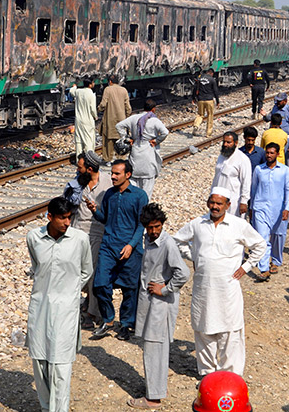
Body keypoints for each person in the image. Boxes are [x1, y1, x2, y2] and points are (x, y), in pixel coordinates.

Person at [172, 188, 265, 376]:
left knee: (229, 331)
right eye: (212, 202)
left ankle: (230, 375)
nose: (214, 207)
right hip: (203, 288)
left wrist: (245, 268)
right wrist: (195, 257)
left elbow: (260, 245)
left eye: (219, 203)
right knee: (204, 328)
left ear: (228, 205)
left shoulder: (238, 225)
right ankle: (208, 374)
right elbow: (177, 240)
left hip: (228, 289)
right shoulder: (197, 224)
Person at [26, 197, 93, 412]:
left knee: (61, 366)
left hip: (66, 310)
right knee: (40, 362)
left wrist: (71, 292)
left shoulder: (80, 239)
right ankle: (46, 408)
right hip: (40, 308)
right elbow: (37, 267)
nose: (67, 223)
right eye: (62, 218)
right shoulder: (34, 238)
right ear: (50, 217)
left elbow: (86, 270)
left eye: (69, 218)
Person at [129, 203, 190, 411]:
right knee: (152, 347)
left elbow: (183, 273)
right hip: (150, 303)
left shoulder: (167, 244)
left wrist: (164, 289)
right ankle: (153, 387)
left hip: (159, 305)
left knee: (155, 349)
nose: (154, 231)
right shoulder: (149, 239)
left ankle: (153, 398)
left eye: (157, 226)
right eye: (150, 227)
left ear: (162, 224)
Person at [89, 160, 149, 342]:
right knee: (99, 283)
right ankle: (107, 320)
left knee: (130, 288)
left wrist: (131, 245)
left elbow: (142, 224)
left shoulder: (140, 196)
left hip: (131, 248)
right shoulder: (109, 194)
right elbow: (104, 218)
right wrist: (94, 210)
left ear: (128, 175)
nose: (113, 177)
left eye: (117, 174)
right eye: (112, 173)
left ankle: (125, 324)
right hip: (108, 246)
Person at [63, 151, 111, 327]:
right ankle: (88, 305)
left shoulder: (107, 183)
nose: (78, 169)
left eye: (80, 167)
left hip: (97, 232)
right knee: (75, 271)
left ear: (89, 169)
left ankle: (92, 313)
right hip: (77, 230)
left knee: (92, 274)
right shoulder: (78, 183)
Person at [250, 143, 289, 281]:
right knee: (262, 238)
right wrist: (251, 207)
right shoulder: (258, 169)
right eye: (267, 153)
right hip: (260, 208)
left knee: (278, 236)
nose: (269, 155)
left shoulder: (285, 170)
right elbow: (254, 189)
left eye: (271, 153)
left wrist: (287, 208)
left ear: (277, 154)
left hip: (278, 209)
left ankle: (276, 260)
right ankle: (264, 269)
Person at [116, 99, 168, 200]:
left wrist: (127, 138)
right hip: (148, 152)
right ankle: (144, 208)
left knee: (133, 182)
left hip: (135, 151)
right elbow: (165, 132)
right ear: (153, 109)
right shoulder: (154, 120)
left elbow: (119, 126)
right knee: (147, 187)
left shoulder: (134, 118)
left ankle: (133, 205)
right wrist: (157, 141)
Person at [212, 132, 253, 217]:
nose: (225, 144)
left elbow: (246, 182)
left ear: (236, 143)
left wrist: (244, 201)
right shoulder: (221, 156)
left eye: (228, 142)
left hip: (234, 201)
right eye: (224, 142)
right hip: (218, 199)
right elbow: (216, 178)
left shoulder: (243, 159)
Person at [98, 75, 132, 163]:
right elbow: (128, 107)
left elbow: (103, 104)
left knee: (108, 140)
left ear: (110, 81)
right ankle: (120, 159)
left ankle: (107, 160)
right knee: (121, 139)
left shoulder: (108, 89)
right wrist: (127, 117)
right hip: (121, 120)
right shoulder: (124, 90)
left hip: (110, 119)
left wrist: (97, 110)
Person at [69, 78, 98, 158]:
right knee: (88, 140)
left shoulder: (78, 92)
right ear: (90, 85)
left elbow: (72, 91)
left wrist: (74, 86)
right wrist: (95, 116)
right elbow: (93, 109)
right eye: (93, 82)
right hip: (88, 120)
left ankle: (79, 160)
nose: (94, 84)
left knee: (79, 141)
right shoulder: (91, 94)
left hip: (78, 120)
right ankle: (89, 159)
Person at [192, 68, 220, 137]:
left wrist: (193, 98)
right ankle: (208, 133)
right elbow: (216, 91)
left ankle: (196, 125)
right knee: (210, 115)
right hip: (209, 100)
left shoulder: (199, 78)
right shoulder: (212, 80)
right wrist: (217, 101)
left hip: (200, 100)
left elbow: (195, 89)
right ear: (212, 73)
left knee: (200, 114)